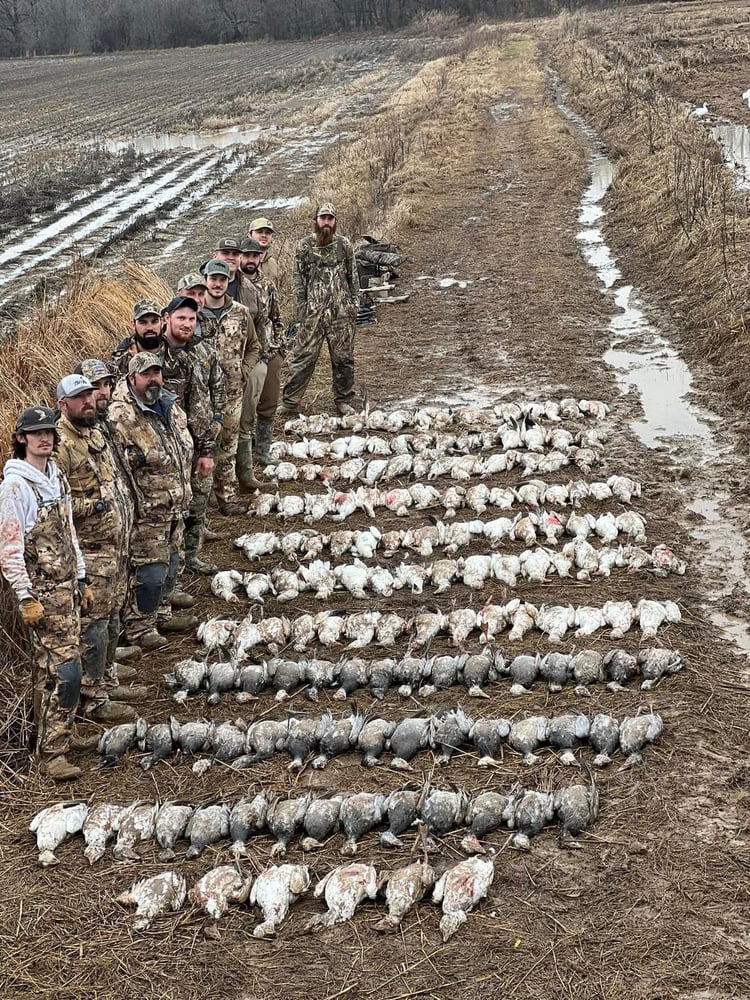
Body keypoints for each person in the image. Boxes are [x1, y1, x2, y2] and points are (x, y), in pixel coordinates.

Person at [0, 406, 91, 780]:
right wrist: (24, 596)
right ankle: (52, 754)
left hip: (68, 589)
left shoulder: (56, 476)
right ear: (21, 438)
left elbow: (69, 531)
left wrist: (82, 575)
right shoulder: (15, 487)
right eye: (36, 433)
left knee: (50, 669)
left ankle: (60, 734)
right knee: (67, 671)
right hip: (42, 596)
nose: (46, 438)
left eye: (50, 432)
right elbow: (9, 547)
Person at [55, 373, 139, 723]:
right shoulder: (60, 446)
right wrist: (98, 507)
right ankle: (94, 697)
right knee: (94, 626)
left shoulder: (95, 432)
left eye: (89, 395)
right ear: (63, 405)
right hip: (91, 552)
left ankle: (107, 677)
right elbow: (55, 505)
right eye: (79, 398)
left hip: (114, 546)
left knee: (112, 616)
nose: (88, 401)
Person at [107, 353, 194, 650]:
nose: (154, 379)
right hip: (148, 512)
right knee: (149, 573)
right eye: (147, 375)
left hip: (175, 506)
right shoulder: (120, 417)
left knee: (171, 564)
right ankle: (140, 628)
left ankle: (161, 614)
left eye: (157, 373)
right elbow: (118, 469)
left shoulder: (170, 406)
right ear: (132, 379)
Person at [278, 203, 360, 417]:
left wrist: (354, 304)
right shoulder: (304, 246)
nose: (326, 222)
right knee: (302, 358)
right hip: (312, 316)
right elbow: (297, 279)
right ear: (315, 220)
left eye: (330, 218)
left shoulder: (344, 245)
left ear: (335, 222)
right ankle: (290, 402)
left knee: (344, 360)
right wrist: (303, 308)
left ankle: (343, 400)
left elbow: (353, 278)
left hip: (341, 316)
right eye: (323, 218)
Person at [201, 258, 263, 508]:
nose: (217, 284)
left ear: (229, 281)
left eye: (222, 279)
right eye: (213, 279)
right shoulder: (193, 312)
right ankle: (202, 503)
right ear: (205, 280)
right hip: (201, 394)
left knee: (228, 444)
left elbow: (254, 346)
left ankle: (226, 497)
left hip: (231, 392)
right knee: (202, 447)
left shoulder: (241, 312)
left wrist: (244, 371)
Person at [238, 237, 286, 466]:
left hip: (269, 353)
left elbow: (277, 317)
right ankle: (242, 457)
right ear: (239, 257)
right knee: (244, 408)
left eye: (254, 256)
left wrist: (280, 348)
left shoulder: (267, 284)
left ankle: (263, 452)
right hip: (245, 357)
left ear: (260, 258)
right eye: (246, 255)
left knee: (268, 403)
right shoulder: (232, 286)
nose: (250, 260)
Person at [112, 299, 164, 374]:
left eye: (154, 321)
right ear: (133, 325)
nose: (150, 328)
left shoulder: (176, 355)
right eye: (143, 322)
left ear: (161, 323)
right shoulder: (120, 358)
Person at [248, 216, 280, 287]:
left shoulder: (273, 263)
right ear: (250, 235)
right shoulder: (240, 261)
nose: (264, 235)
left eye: (268, 233)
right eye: (259, 232)